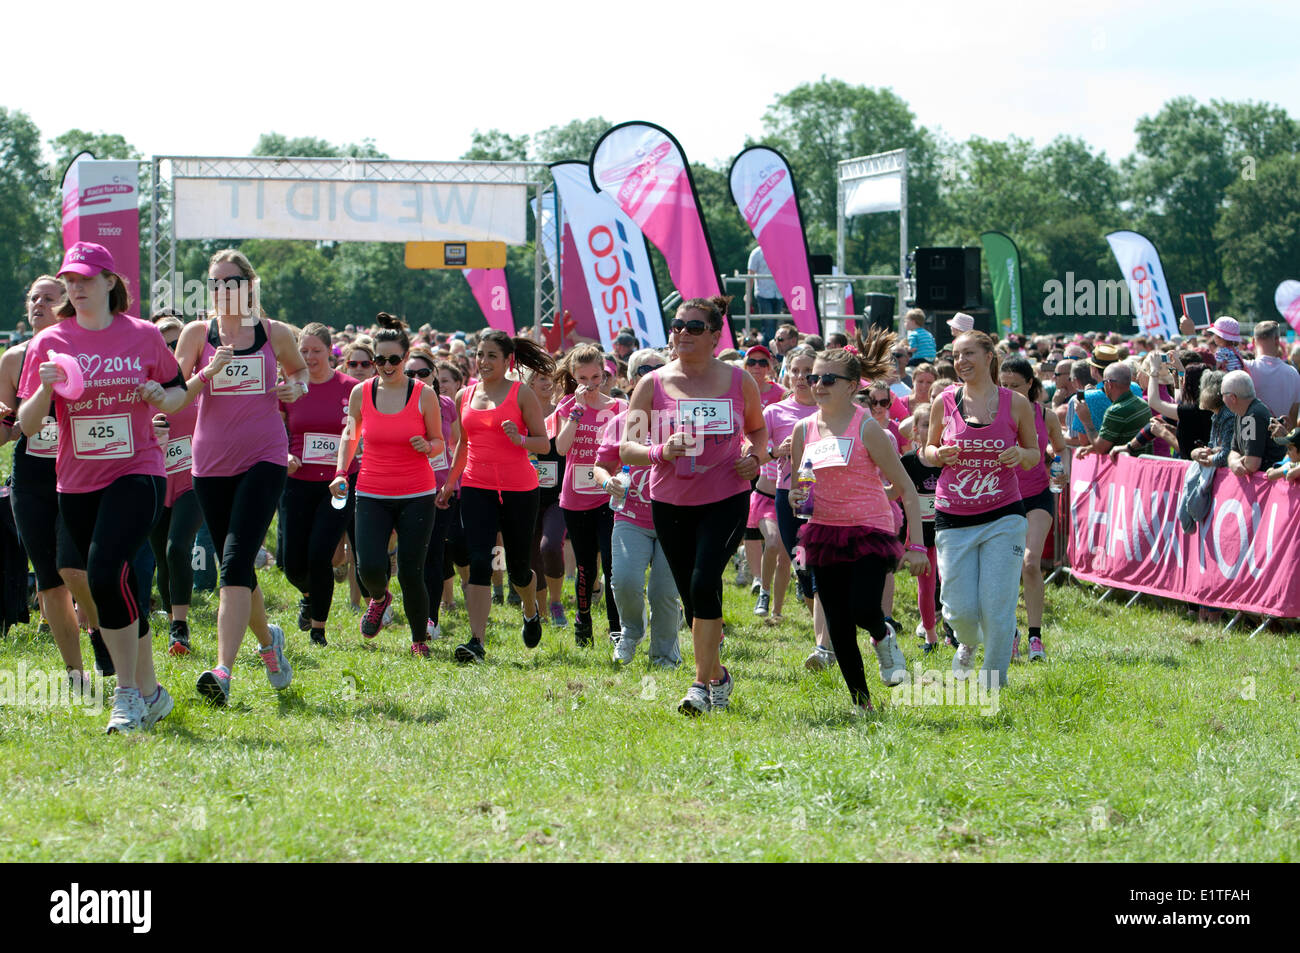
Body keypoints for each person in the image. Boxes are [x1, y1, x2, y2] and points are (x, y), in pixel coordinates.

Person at [17, 242, 189, 733]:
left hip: (138, 468)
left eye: (86, 279)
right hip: (75, 481)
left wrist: (162, 394)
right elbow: (29, 426)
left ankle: (127, 695)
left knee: (105, 566)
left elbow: (177, 391)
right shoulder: (49, 341)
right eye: (69, 280)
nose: (76, 287)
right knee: (112, 582)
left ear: (111, 282)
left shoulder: (142, 335)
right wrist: (47, 388)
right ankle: (153, 692)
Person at [621, 296, 766, 715]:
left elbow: (757, 431)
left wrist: (754, 459)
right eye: (677, 325)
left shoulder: (740, 382)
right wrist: (660, 451)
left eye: (694, 327)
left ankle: (701, 687)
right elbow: (628, 447)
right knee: (692, 596)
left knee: (704, 584)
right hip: (670, 500)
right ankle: (719, 674)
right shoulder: (652, 384)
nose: (682, 332)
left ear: (716, 335)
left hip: (726, 497)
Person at [172, 248, 301, 706]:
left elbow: (300, 372)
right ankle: (270, 645)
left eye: (232, 282)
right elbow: (177, 398)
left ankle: (223, 670)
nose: (223, 290)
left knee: (233, 560)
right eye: (216, 283)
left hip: (265, 457)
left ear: (249, 285)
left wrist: (294, 386)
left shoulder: (274, 332)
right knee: (240, 565)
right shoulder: (195, 334)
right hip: (210, 464)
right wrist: (208, 372)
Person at [788, 328, 929, 713]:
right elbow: (800, 484)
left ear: (852, 387)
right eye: (813, 378)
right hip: (824, 531)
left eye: (827, 379)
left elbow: (906, 487)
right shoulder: (803, 429)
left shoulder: (868, 427)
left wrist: (916, 545)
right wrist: (794, 496)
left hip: (870, 529)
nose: (817, 385)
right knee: (837, 621)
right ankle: (862, 703)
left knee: (865, 609)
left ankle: (884, 637)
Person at [922, 330, 1040, 690]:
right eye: (957, 356)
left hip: (1004, 514)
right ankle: (967, 641)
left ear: (990, 356)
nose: (962, 362)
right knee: (959, 609)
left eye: (969, 353)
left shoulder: (1015, 403)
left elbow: (1035, 454)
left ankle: (994, 679)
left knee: (997, 604)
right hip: (953, 516)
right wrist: (937, 455)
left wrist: (1020, 455)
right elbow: (926, 450)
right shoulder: (945, 401)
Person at [436, 330, 555, 663]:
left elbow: (544, 444)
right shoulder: (465, 395)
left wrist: (520, 438)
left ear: (507, 361)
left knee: (518, 568)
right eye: (479, 354)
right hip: (476, 486)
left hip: (519, 489)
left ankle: (530, 611)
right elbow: (463, 443)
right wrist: (450, 483)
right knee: (479, 561)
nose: (483, 361)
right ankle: (476, 641)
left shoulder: (522, 395)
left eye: (491, 355)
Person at [331, 314, 445, 655]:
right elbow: (350, 434)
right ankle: (379, 599)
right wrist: (340, 472)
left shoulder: (423, 395)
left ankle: (418, 640)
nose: (386, 365)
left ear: (406, 358)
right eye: (379, 359)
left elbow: (439, 441)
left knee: (411, 571)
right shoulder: (360, 392)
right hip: (371, 491)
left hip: (417, 494)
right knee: (369, 567)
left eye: (394, 359)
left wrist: (428, 447)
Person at [0, 275, 93, 681]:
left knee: (80, 569)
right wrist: (8, 422)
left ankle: (104, 631)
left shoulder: (85, 350)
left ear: (66, 305)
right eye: (33, 298)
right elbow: (6, 432)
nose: (38, 303)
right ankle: (75, 674)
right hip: (32, 478)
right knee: (49, 578)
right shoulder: (12, 359)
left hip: (81, 476)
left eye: (48, 298)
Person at [594, 349, 682, 666]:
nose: (655, 376)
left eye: (663, 369)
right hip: (630, 516)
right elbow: (600, 465)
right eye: (647, 370)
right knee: (625, 581)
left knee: (663, 592)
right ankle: (631, 632)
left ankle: (664, 654)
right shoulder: (621, 421)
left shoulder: (680, 418)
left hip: (674, 518)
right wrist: (607, 482)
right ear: (631, 380)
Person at [280, 323, 360, 647]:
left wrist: (345, 465)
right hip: (297, 482)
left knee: (320, 554)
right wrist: (284, 454)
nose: (310, 357)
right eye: (304, 351)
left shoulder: (350, 388)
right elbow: (274, 430)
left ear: (330, 351)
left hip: (339, 484)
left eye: (316, 350)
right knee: (291, 563)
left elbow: (357, 431)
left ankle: (318, 630)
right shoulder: (289, 388)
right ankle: (309, 594)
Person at [763, 345, 833, 668]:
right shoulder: (775, 413)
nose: (802, 378)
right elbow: (759, 453)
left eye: (809, 372)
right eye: (796, 371)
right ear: (786, 374)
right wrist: (779, 450)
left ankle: (826, 645)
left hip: (829, 497)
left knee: (822, 569)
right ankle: (826, 633)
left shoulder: (830, 410)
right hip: (789, 498)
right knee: (803, 568)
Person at [554, 344, 625, 645]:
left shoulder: (619, 408)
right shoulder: (567, 406)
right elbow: (561, 447)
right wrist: (577, 413)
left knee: (612, 564)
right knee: (585, 566)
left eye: (596, 377)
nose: (590, 385)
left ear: (605, 374)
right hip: (575, 496)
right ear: (573, 376)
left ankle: (616, 628)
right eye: (583, 379)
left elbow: (626, 450)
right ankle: (583, 622)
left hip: (608, 494)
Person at [999, 356, 1066, 661]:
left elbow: (1060, 449)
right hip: (1003, 497)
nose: (1010, 390)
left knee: (1030, 562)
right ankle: (1009, 632)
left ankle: (1035, 637)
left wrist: (1060, 471)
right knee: (1006, 568)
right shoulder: (995, 414)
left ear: (1030, 384)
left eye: (1016, 385)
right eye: (1004, 385)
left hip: (1038, 495)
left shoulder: (1045, 415)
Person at [146, 314, 204, 655]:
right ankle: (172, 623)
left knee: (177, 547)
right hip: (154, 481)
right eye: (164, 344)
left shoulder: (199, 385)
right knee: (163, 559)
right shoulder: (143, 389)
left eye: (177, 344)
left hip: (193, 479)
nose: (171, 351)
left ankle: (180, 626)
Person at [408, 343, 459, 642]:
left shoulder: (448, 405)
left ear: (434, 374)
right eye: (410, 372)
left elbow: (458, 446)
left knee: (435, 555)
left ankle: (431, 619)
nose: (417, 377)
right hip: (406, 489)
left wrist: (452, 482)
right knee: (412, 556)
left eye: (423, 372)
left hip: (440, 489)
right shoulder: (393, 403)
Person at [525, 364, 568, 627]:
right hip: (526, 496)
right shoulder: (520, 415)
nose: (546, 383)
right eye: (541, 378)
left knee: (550, 546)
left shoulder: (562, 413)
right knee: (531, 555)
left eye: (550, 378)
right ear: (529, 382)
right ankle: (539, 610)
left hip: (558, 496)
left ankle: (556, 602)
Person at [898, 403, 942, 651]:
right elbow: (895, 494)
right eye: (926, 424)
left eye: (936, 424)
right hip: (920, 533)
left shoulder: (950, 460)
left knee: (950, 582)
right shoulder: (908, 462)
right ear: (915, 430)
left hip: (948, 529)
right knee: (926, 585)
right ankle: (930, 636)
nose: (931, 429)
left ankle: (954, 630)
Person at [1076, 362, 1152, 459]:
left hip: (1126, 469)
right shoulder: (1142, 403)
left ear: (1109, 384)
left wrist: (1086, 420)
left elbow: (1101, 448)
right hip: (1141, 467)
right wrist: (1091, 448)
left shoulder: (1115, 411)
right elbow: (1122, 442)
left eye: (1103, 383)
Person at [1221, 370, 1286, 477]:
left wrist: (1236, 462)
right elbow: (1234, 450)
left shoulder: (1253, 415)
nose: (1222, 399)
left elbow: (1252, 464)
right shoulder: (1241, 412)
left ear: (1233, 397)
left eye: (1222, 394)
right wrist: (1233, 462)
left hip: (1270, 484)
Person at [1245, 321, 1300, 428]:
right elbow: (1293, 419)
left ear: (1253, 341)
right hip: (1280, 439)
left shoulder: (1246, 368)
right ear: (1277, 340)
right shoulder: (1293, 373)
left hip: (1250, 438)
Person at [745, 245, 784, 346]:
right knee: (768, 324)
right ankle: (768, 349)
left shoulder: (781, 250)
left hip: (778, 293)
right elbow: (751, 275)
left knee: (775, 325)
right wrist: (748, 294)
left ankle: (772, 350)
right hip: (763, 294)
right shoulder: (756, 252)